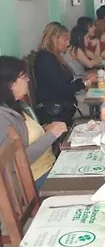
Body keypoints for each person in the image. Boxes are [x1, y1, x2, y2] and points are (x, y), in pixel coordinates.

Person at [0, 56, 67, 189]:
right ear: (10, 84)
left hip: (51, 167)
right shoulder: (3, 118)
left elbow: (27, 136)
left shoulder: (17, 105)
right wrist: (50, 135)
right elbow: (14, 163)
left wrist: (45, 130)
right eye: (24, 77)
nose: (28, 80)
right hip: (35, 180)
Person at [34, 22, 93, 124]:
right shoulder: (46, 59)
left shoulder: (53, 57)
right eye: (65, 39)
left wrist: (82, 81)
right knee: (101, 109)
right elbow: (63, 89)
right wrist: (83, 83)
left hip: (66, 104)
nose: (68, 43)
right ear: (54, 38)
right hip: (60, 109)